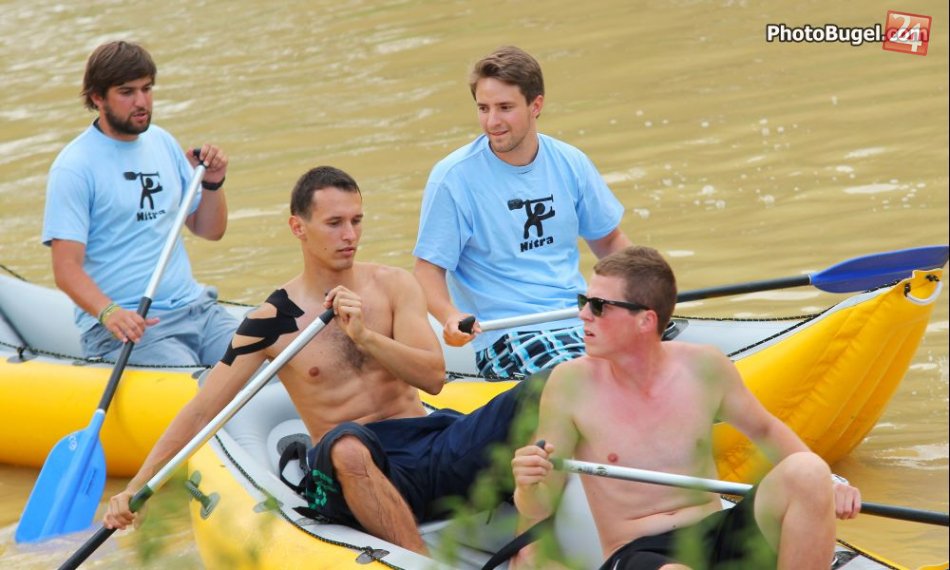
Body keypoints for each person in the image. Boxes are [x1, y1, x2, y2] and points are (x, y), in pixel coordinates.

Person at [104, 166, 528, 555]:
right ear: (298, 227)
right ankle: (419, 562)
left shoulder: (393, 285)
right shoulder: (272, 320)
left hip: (425, 444)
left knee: (540, 389)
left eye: (356, 221)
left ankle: (531, 544)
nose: (350, 235)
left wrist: (365, 337)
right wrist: (137, 488)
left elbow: (433, 377)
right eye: (334, 223)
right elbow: (203, 411)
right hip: (353, 465)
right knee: (347, 446)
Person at [511, 246, 862, 569]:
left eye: (598, 306)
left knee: (809, 471)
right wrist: (527, 487)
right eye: (583, 301)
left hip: (713, 531)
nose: (583, 315)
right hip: (639, 551)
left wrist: (829, 485)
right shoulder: (570, 384)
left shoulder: (705, 366)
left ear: (645, 320)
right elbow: (541, 504)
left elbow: (765, 430)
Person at [413, 45, 632, 379]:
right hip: (506, 335)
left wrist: (644, 292)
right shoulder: (452, 178)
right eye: (483, 108)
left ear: (536, 105)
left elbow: (610, 241)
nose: (492, 121)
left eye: (505, 107)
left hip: (579, 317)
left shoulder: (571, 162)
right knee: (587, 381)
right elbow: (427, 270)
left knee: (654, 369)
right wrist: (449, 315)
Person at [40, 40, 237, 366]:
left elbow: (209, 230)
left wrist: (213, 182)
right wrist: (109, 312)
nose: (142, 102)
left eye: (147, 89)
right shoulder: (74, 167)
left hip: (197, 310)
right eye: (127, 92)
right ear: (97, 97)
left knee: (277, 366)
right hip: (130, 327)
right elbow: (65, 269)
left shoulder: (163, 142)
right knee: (192, 388)